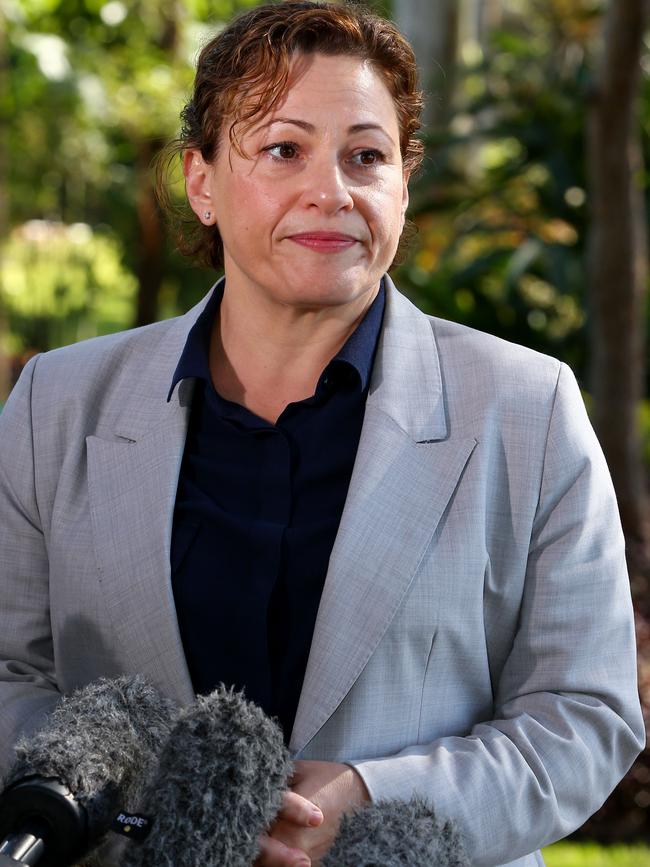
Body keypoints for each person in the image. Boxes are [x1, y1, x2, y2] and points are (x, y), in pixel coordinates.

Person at [0, 2, 644, 865]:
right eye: (282, 149)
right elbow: (10, 674)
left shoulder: (528, 409)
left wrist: (368, 799)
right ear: (202, 180)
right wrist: (175, 805)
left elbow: (584, 712)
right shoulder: (57, 403)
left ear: (402, 185)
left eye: (366, 156)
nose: (330, 189)